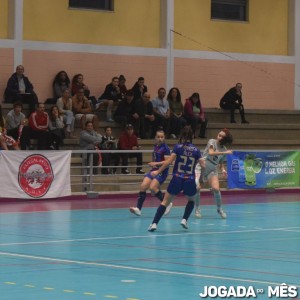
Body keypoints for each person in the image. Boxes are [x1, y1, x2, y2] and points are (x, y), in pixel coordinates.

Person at [148, 126, 204, 232]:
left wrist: (157, 171)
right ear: (192, 136)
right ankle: (184, 219)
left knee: (165, 202)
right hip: (190, 179)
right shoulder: (196, 150)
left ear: (182, 135)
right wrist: (201, 180)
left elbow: (168, 162)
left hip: (177, 178)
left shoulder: (178, 147)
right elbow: (204, 165)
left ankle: (154, 223)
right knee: (191, 200)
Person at [129, 130, 172, 216]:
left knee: (152, 188)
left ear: (164, 138)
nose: (160, 139)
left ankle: (167, 204)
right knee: (143, 186)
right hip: (154, 170)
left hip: (162, 171)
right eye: (158, 137)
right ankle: (138, 209)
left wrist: (156, 164)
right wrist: (154, 165)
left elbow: (168, 162)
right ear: (155, 138)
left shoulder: (166, 148)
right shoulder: (156, 146)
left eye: (162, 137)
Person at [198, 128, 233, 219]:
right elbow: (211, 152)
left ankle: (219, 209)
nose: (219, 137)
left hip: (212, 169)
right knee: (197, 187)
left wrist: (223, 170)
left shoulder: (224, 149)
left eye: (221, 136)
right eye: (219, 135)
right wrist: (225, 152)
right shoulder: (212, 141)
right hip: (203, 166)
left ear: (225, 139)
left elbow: (221, 164)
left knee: (216, 189)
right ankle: (197, 208)